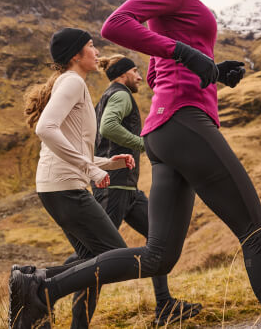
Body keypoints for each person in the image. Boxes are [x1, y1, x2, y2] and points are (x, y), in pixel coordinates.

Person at [10, 0, 261, 329]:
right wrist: (186, 54)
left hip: (165, 130)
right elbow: (116, 25)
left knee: (159, 256)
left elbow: (155, 73)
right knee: (256, 232)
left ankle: (41, 289)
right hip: (184, 121)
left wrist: (215, 71)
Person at [15, 27, 135, 329]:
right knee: (115, 256)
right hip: (65, 188)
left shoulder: (73, 83)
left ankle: (49, 297)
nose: (97, 52)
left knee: (92, 259)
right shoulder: (71, 82)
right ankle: (38, 286)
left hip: (58, 186)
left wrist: (106, 163)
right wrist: (91, 169)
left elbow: (72, 146)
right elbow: (46, 128)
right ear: (76, 55)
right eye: (92, 46)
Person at [92, 54, 202, 325]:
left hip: (127, 190)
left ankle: (164, 305)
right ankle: (42, 284)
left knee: (158, 241)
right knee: (92, 251)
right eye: (135, 71)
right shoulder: (120, 95)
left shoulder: (110, 95)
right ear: (122, 75)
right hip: (114, 188)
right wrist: (144, 145)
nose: (140, 77)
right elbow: (108, 127)